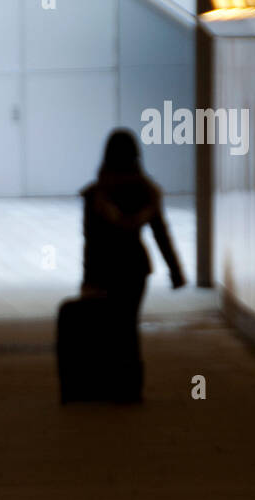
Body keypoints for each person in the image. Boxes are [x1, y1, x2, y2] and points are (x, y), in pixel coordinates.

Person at [80, 128, 186, 402]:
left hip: (105, 270)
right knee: (128, 326)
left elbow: (90, 242)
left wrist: (87, 279)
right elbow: (161, 234)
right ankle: (132, 386)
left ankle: (113, 385)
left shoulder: (96, 195)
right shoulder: (146, 193)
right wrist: (175, 271)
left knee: (111, 328)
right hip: (136, 270)